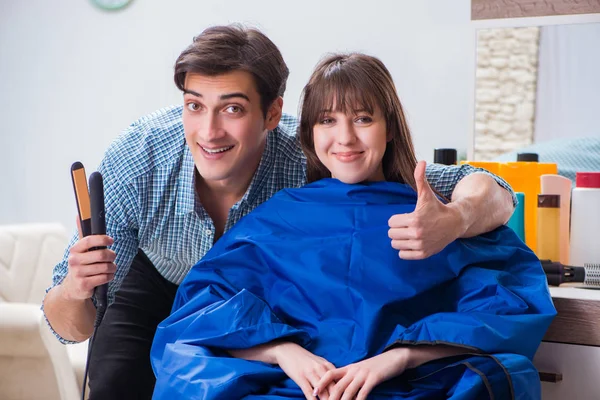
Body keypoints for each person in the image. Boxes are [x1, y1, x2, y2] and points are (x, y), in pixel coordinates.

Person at [42, 25, 517, 399]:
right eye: (194, 106)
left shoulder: (316, 149)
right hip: (158, 274)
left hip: (254, 304)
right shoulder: (138, 159)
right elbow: (69, 326)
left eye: (232, 109)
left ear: (272, 114)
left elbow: (491, 188)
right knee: (116, 383)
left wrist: (453, 220)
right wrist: (76, 289)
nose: (208, 131)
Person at [151, 53, 555, 400]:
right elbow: (199, 313)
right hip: (292, 386)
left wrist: (397, 358)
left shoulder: (431, 212)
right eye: (328, 120)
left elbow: (509, 303)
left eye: (363, 118)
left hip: (411, 384)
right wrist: (283, 352)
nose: (345, 138)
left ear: (389, 126)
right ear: (310, 132)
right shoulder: (280, 215)